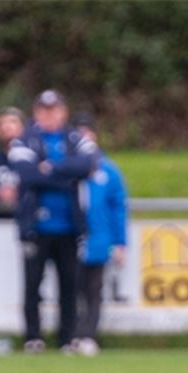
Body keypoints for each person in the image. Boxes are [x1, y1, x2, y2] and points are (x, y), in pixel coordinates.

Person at [8, 90, 97, 352]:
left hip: (69, 226)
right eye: (44, 110)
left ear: (63, 111)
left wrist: (50, 167)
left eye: (54, 109)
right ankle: (33, 337)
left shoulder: (74, 138)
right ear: (36, 113)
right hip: (36, 227)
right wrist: (64, 175)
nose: (49, 115)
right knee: (33, 285)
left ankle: (67, 338)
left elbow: (88, 165)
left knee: (69, 286)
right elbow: (27, 175)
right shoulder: (24, 140)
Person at [71, 115, 128, 356]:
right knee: (72, 288)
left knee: (94, 289)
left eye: (88, 132)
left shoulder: (108, 170)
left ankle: (88, 335)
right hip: (71, 238)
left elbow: (118, 208)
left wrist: (120, 242)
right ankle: (71, 335)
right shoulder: (68, 167)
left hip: (99, 240)